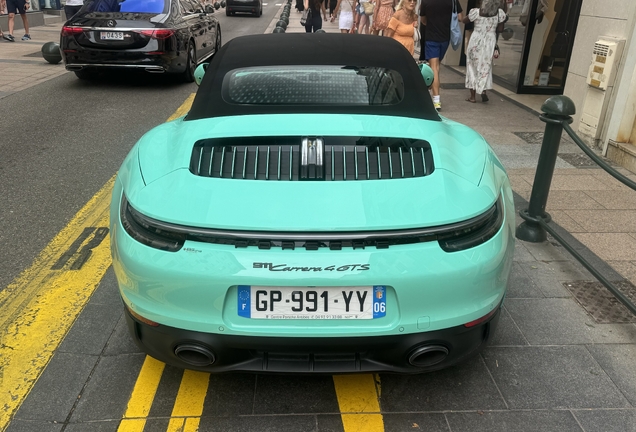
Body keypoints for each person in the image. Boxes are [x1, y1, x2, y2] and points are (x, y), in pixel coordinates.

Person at [419, 0, 463, 111]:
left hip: (431, 37)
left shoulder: (426, 1)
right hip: (445, 38)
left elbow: (423, 20)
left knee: (434, 68)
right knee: (437, 67)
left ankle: (436, 100)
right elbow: (460, 17)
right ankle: (432, 90)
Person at [463, 0, 505, 103]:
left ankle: (472, 97)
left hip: (476, 40)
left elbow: (464, 20)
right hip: (490, 41)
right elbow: (500, 29)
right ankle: (483, 91)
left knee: (472, 67)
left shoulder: (476, 12)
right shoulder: (499, 13)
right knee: (485, 67)